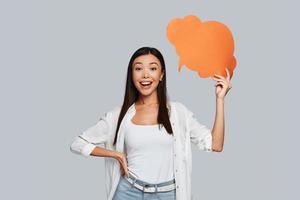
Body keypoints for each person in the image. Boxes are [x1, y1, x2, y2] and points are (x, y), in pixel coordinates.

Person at [70, 46, 232, 200]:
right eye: (138, 69)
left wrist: (219, 99)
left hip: (167, 194)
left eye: (153, 68)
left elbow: (216, 144)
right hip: (129, 192)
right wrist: (116, 155)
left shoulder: (178, 113)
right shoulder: (117, 115)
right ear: (131, 75)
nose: (145, 75)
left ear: (161, 75)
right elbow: (77, 144)